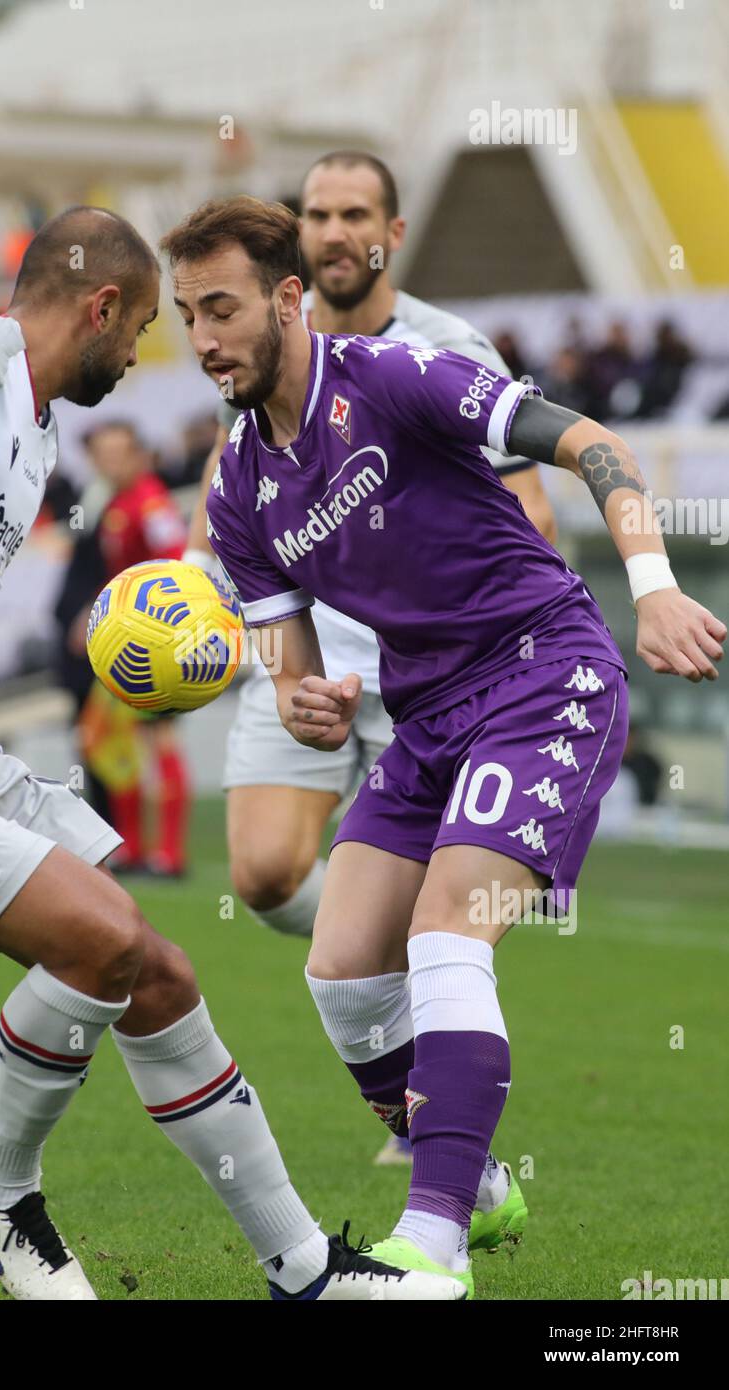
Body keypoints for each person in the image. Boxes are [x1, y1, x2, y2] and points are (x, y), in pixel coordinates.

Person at [0, 205, 459, 1302]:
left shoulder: (37, 434)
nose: (141, 360)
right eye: (143, 333)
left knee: (155, 971)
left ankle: (306, 1270)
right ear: (103, 306)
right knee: (104, 943)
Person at [161, 194, 725, 1299]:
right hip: (424, 718)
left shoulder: (394, 374)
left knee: (446, 934)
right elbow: (288, 664)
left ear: (285, 298)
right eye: (185, 316)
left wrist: (653, 590)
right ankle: (477, 1179)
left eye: (220, 307)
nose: (203, 338)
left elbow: (590, 444)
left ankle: (435, 1249)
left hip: (542, 671)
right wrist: (309, 702)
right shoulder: (237, 487)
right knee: (340, 976)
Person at [184, 150, 558, 1170]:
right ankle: (403, 986)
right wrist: (192, 602)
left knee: (439, 903)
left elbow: (527, 496)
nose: (337, 228)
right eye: (318, 212)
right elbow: (232, 495)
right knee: (262, 872)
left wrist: (531, 645)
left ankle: (427, 1023)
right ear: (297, 243)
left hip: (443, 659)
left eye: (357, 213)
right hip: (308, 642)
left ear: (391, 232)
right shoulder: (253, 346)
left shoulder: (441, 345)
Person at [85, 420, 192, 878]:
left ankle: (166, 855)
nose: (110, 462)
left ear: (139, 455)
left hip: (149, 647)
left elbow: (174, 564)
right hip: (126, 642)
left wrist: (143, 625)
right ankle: (131, 848)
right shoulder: (118, 502)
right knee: (102, 739)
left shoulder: (150, 501)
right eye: (102, 453)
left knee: (151, 739)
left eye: (119, 452)